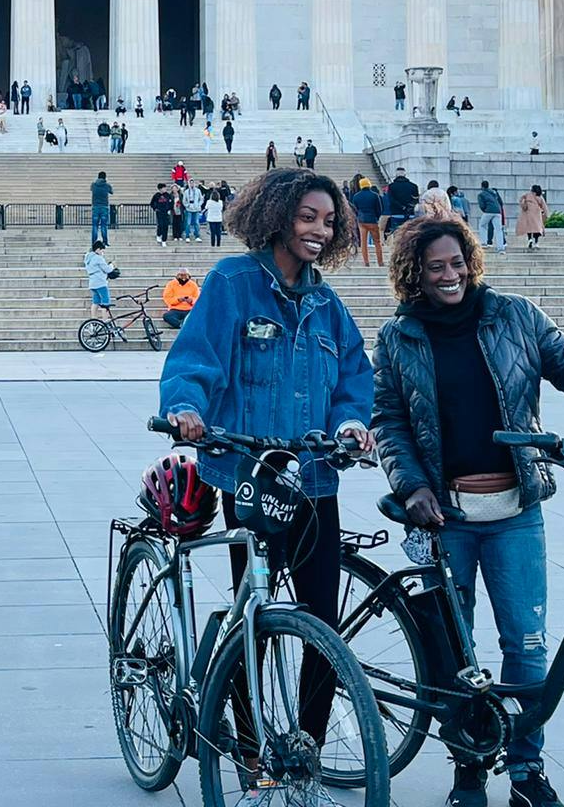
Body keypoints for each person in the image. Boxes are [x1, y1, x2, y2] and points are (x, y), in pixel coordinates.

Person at [371, 215, 564, 807]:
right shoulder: (398, 337)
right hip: (443, 516)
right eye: (435, 268)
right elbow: (389, 419)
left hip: (515, 509)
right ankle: (469, 769)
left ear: (470, 262)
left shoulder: (515, 315)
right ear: (415, 275)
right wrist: (410, 487)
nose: (449, 275)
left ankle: (526, 772)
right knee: (457, 654)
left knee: (526, 644)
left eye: (456, 263)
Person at [159, 168, 377, 754]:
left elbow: (356, 377)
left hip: (314, 479)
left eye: (330, 221)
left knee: (322, 624)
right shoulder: (231, 283)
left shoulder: (326, 302)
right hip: (249, 476)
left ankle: (305, 742)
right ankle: (252, 745)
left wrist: (354, 424)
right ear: (278, 216)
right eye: (308, 217)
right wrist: (185, 407)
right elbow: (196, 357)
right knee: (249, 615)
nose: (320, 230)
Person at [351, 179, 385, 267]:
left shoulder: (356, 196)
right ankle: (380, 262)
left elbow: (354, 209)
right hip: (372, 220)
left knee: (363, 242)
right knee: (377, 242)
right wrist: (377, 217)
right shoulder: (375, 195)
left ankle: (366, 262)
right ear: (369, 184)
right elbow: (379, 209)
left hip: (361, 221)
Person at [84, 240, 116, 322]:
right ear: (98, 249)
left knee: (95, 302)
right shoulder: (98, 258)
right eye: (102, 250)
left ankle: (94, 320)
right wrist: (112, 265)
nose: (102, 252)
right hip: (101, 283)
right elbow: (107, 269)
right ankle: (104, 322)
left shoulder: (88, 257)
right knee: (105, 303)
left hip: (92, 283)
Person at [473, 180, 506, 252]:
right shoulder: (494, 193)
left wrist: (485, 210)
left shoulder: (481, 194)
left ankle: (484, 242)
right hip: (498, 211)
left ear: (482, 186)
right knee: (498, 230)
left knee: (482, 225)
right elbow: (500, 202)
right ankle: (501, 248)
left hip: (489, 210)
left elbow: (482, 205)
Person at [385, 168, 419, 235]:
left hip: (396, 213)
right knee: (410, 234)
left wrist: (401, 207)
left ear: (396, 175)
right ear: (405, 174)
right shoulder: (413, 186)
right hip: (410, 214)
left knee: (397, 234)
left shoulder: (392, 186)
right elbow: (416, 200)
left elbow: (391, 200)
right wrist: (408, 207)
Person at [516, 184, 547, 250]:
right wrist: (545, 213)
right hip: (537, 213)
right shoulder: (539, 196)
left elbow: (521, 200)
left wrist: (524, 206)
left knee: (529, 227)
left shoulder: (527, 195)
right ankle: (536, 242)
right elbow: (543, 205)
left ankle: (530, 239)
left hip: (528, 213)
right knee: (537, 228)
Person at [90, 171, 114, 245]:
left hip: (95, 207)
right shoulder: (107, 186)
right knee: (104, 225)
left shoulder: (93, 185)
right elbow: (112, 192)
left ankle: (94, 241)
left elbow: (91, 189)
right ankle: (105, 241)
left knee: (95, 226)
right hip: (104, 207)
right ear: (105, 177)